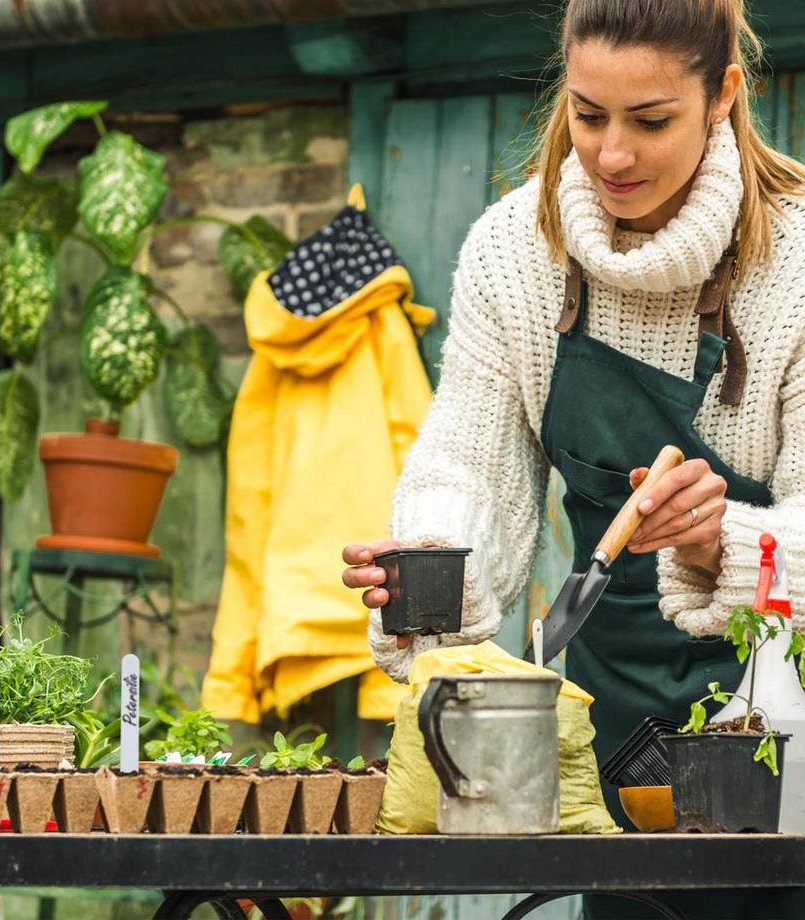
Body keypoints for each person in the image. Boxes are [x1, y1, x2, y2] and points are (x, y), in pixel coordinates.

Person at [342, 0, 805, 917]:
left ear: (723, 95)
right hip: (615, 715)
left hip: (782, 722)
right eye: (589, 115)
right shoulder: (515, 251)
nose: (613, 155)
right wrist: (432, 562)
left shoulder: (794, 258)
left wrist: (725, 543)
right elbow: (468, 457)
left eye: (651, 120)